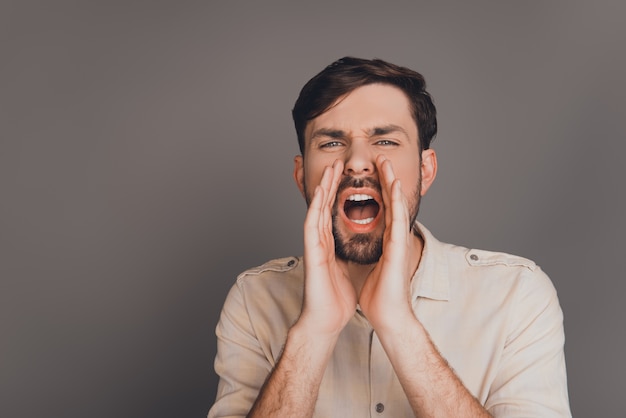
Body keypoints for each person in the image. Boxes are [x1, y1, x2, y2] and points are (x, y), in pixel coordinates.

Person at [208, 57, 571, 417]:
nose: (357, 162)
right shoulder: (254, 299)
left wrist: (400, 327)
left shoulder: (517, 295)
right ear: (302, 176)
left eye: (384, 141)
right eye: (332, 143)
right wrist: (312, 333)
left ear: (425, 171)